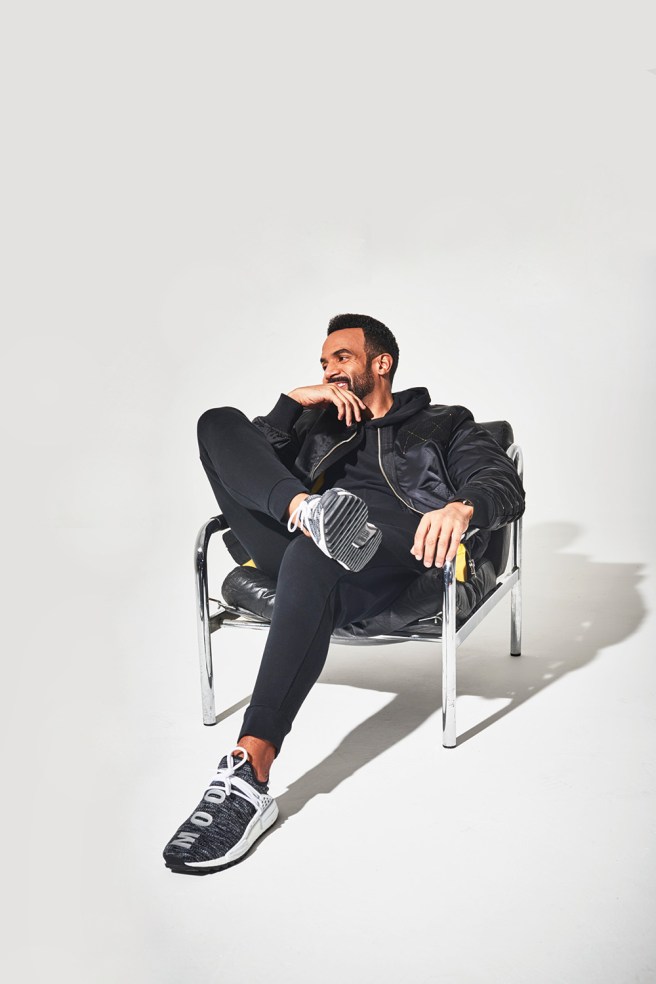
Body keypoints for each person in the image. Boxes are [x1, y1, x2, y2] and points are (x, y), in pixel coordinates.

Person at [163, 313, 525, 874]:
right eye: (323, 361)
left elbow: (501, 482)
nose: (330, 370)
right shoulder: (319, 423)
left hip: (389, 551)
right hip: (302, 531)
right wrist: (291, 404)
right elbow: (241, 460)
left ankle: (248, 773)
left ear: (381, 363)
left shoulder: (445, 422)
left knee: (314, 554)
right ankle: (309, 510)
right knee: (217, 421)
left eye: (342, 358)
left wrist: (460, 507)